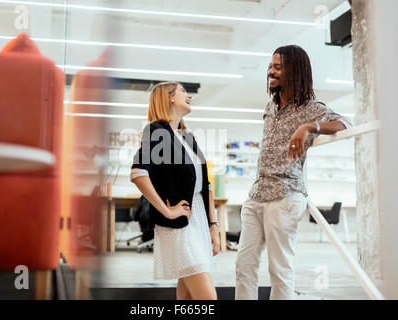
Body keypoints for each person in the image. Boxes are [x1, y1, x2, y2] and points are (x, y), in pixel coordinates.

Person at [235, 45, 353, 300]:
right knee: (243, 266)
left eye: (278, 66)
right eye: (271, 65)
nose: (271, 70)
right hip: (256, 195)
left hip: (284, 196)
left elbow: (347, 123)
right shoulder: (270, 106)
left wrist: (309, 127)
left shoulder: (310, 107)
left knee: (279, 270)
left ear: (294, 71)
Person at [130, 82, 220, 300]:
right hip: (180, 224)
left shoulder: (187, 137)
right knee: (208, 298)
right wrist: (167, 211)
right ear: (168, 98)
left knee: (187, 296)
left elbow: (205, 184)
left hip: (198, 218)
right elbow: (137, 173)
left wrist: (214, 225)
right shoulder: (156, 131)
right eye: (182, 91)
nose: (188, 95)